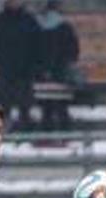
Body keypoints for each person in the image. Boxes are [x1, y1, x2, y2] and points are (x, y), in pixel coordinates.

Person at [0, 0, 41, 130]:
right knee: (5, 101)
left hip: (25, 68)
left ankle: (26, 127)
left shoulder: (29, 20)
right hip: (5, 68)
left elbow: (37, 42)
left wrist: (34, 64)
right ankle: (6, 128)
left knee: (25, 101)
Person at [36, 0, 79, 131]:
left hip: (41, 75)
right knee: (62, 107)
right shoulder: (65, 27)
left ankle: (45, 135)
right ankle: (65, 134)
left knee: (46, 109)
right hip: (61, 74)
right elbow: (74, 51)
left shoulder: (36, 26)